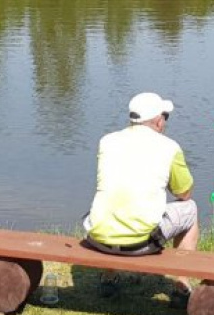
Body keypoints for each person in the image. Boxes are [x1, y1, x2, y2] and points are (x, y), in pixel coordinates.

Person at [84, 92, 198, 307]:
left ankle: (108, 279)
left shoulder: (107, 141)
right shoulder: (170, 147)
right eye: (165, 117)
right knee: (190, 209)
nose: (165, 122)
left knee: (113, 201)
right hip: (141, 242)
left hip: (98, 237)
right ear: (158, 120)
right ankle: (182, 286)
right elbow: (185, 194)